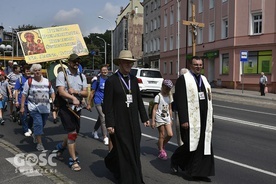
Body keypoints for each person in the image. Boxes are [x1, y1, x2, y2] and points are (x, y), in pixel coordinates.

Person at [104, 50, 150, 183]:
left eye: (131, 62)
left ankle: (116, 165)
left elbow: (139, 100)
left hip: (134, 122)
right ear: (119, 63)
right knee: (126, 151)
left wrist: (145, 118)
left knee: (134, 149)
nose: (129, 65)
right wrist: (110, 124)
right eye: (126, 62)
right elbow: (108, 106)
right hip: (120, 122)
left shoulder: (134, 80)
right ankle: (130, 179)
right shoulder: (111, 81)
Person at [171, 56, 215, 182]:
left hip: (204, 119)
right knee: (190, 144)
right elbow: (180, 101)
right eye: (196, 64)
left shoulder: (204, 80)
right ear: (191, 65)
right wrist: (184, 119)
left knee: (203, 146)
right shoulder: (183, 79)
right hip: (191, 119)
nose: (198, 67)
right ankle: (176, 159)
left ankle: (199, 172)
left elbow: (209, 100)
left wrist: (211, 117)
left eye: (200, 65)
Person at [55, 53, 88, 171]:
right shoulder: (62, 75)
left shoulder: (81, 76)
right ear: (69, 63)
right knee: (72, 133)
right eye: (74, 61)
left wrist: (77, 93)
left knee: (74, 134)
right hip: (66, 108)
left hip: (77, 109)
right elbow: (61, 92)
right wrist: (72, 97)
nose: (76, 63)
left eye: (78, 61)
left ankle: (60, 147)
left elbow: (85, 92)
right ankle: (74, 160)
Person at [20, 64, 55, 151]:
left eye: (38, 70)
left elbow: (52, 92)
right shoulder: (29, 82)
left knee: (42, 124)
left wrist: (53, 98)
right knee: (38, 123)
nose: (37, 72)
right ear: (33, 72)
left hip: (45, 107)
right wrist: (22, 107)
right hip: (34, 107)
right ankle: (39, 144)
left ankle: (36, 134)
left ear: (41, 71)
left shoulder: (47, 81)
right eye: (35, 70)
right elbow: (24, 95)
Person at [151, 79, 174, 160]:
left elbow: (170, 109)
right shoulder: (158, 96)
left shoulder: (170, 96)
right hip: (159, 117)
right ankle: (161, 150)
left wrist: (171, 119)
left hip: (167, 118)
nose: (167, 90)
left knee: (170, 134)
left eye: (169, 88)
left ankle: (162, 144)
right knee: (162, 134)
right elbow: (154, 109)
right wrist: (153, 121)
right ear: (163, 86)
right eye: (166, 88)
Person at [87, 65, 109, 145]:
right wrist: (89, 103)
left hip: (106, 101)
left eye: (106, 70)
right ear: (100, 71)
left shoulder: (109, 80)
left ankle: (95, 130)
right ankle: (105, 137)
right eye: (103, 70)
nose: (104, 71)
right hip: (98, 100)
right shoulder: (97, 80)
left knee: (101, 117)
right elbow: (92, 92)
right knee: (103, 117)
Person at [14, 65, 33, 136]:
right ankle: (25, 129)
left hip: (31, 101)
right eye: (27, 71)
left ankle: (29, 127)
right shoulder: (20, 79)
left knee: (32, 116)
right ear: (24, 72)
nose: (28, 72)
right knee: (24, 116)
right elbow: (16, 90)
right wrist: (16, 101)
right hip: (23, 101)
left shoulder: (33, 79)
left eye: (29, 70)